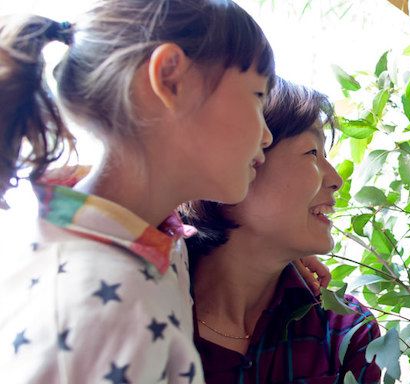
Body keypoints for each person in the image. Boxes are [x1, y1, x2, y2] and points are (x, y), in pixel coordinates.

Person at [0, 1, 275, 382]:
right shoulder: (99, 311)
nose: (267, 134)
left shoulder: (142, 244)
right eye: (259, 95)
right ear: (170, 79)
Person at [181, 77, 382, 383]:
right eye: (312, 153)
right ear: (237, 163)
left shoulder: (344, 330)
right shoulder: (144, 292)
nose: (336, 179)